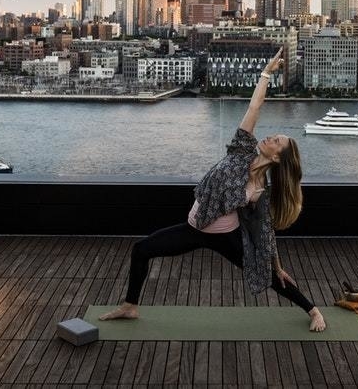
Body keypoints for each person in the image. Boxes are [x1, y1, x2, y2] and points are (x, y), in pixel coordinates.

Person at [100, 48, 326, 332]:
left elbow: (265, 232)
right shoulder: (242, 149)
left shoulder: (259, 190)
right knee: (141, 249)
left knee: (267, 274)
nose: (269, 136)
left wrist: (276, 265)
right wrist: (267, 73)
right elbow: (254, 108)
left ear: (278, 157)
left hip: (224, 236)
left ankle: (313, 310)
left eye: (276, 140)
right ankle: (130, 306)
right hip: (194, 228)